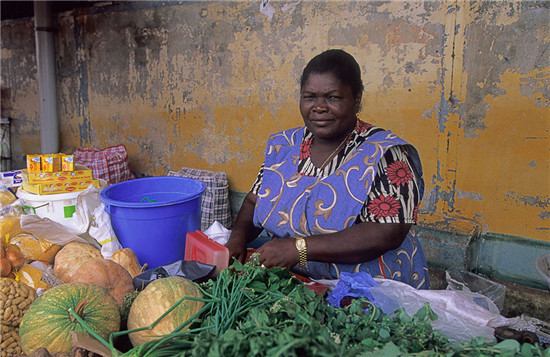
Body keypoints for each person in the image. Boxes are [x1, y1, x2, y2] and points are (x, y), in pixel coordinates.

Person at [226, 49, 429, 289]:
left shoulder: (387, 153)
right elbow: (254, 201)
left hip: (372, 290)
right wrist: (237, 239)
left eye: (332, 97)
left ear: (356, 98)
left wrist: (298, 248)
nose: (319, 107)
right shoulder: (284, 146)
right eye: (309, 97)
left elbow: (387, 231)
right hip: (301, 283)